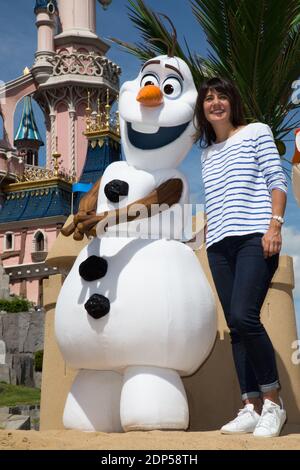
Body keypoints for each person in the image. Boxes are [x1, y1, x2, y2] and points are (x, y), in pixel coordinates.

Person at [194, 77, 288, 438]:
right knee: (236, 328)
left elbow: (275, 181)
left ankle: (273, 403)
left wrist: (274, 226)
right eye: (208, 98)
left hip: (255, 238)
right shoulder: (205, 154)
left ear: (232, 102)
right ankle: (249, 406)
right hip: (219, 244)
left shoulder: (256, 132)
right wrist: (204, 239)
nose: (215, 103)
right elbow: (217, 200)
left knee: (245, 316)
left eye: (221, 97)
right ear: (202, 108)